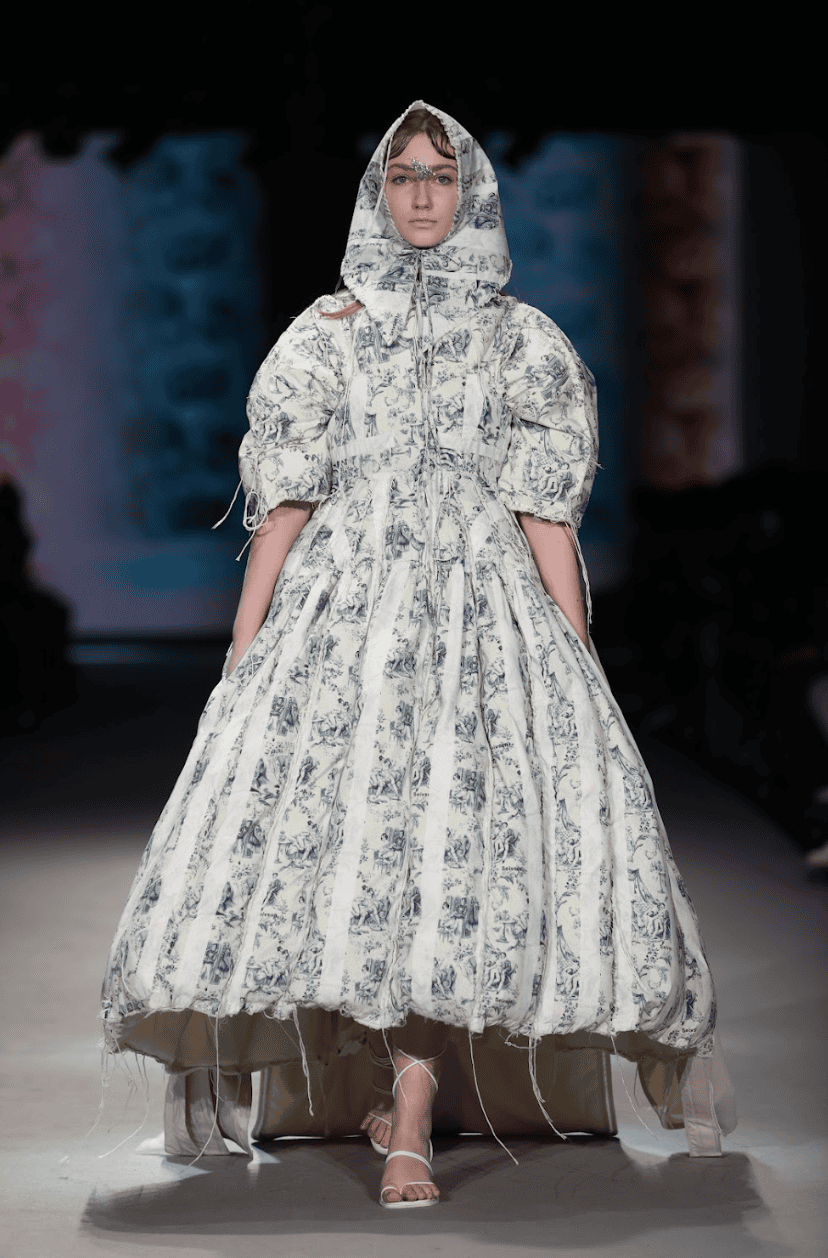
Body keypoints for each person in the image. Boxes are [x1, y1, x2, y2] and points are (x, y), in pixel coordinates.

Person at [101, 100, 734, 1209]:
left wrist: (576, 651)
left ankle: (410, 1111)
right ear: (378, 193)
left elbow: (545, 514)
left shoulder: (521, 339)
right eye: (403, 175)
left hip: (485, 619)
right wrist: (245, 647)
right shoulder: (325, 334)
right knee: (359, 851)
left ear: (472, 193)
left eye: (443, 174)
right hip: (347, 617)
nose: (424, 193)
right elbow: (284, 506)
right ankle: (387, 1098)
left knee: (458, 854)